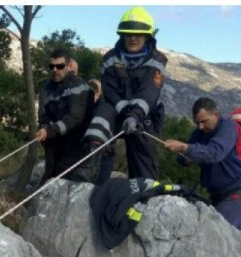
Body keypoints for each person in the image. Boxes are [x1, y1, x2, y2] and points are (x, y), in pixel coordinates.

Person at [164, 98, 241, 232]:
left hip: (237, 193)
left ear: (216, 115)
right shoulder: (200, 133)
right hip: (217, 195)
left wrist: (183, 147)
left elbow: (215, 153)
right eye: (197, 123)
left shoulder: (228, 128)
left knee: (216, 231)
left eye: (204, 122)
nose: (200, 127)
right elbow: (185, 156)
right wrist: (185, 158)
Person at [101, 6, 167, 179]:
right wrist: (124, 112)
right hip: (116, 111)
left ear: (147, 36)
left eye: (137, 34)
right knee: (98, 130)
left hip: (141, 116)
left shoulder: (157, 61)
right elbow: (110, 91)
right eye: (128, 34)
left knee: (144, 153)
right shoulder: (109, 59)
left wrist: (134, 116)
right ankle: (96, 185)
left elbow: (149, 93)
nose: (132, 38)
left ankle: (144, 193)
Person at [36, 49, 92, 184]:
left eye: (60, 66)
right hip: (53, 143)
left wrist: (49, 131)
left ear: (68, 66)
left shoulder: (79, 86)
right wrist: (44, 129)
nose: (55, 70)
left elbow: (75, 118)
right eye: (52, 66)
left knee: (65, 181)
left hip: (74, 143)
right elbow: (43, 116)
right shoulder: (46, 89)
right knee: (49, 177)